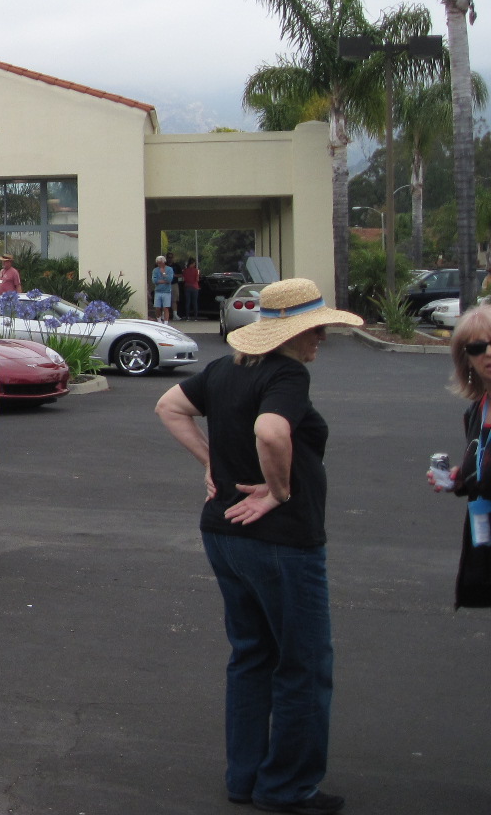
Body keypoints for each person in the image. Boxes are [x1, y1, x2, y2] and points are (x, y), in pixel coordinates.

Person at [155, 277, 360, 814]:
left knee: (252, 656)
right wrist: (279, 490)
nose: (320, 339)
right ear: (292, 333)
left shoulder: (224, 371)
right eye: (316, 330)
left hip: (224, 534)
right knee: (303, 664)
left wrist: (214, 463)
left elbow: (169, 407)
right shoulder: (286, 373)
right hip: (281, 542)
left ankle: (245, 776)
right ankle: (287, 786)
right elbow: (272, 433)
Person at [426, 305, 491, 608]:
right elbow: (481, 464)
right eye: (478, 347)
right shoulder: (477, 410)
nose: (488, 354)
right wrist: (460, 478)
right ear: (465, 359)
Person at [151, 255, 175, 324]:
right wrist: (164, 281)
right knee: (157, 307)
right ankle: (159, 320)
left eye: (160, 263)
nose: (159, 264)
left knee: (166, 307)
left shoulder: (169, 269)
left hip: (166, 291)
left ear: (164, 262)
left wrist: (163, 273)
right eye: (158, 263)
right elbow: (154, 280)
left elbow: (169, 280)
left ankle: (166, 322)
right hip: (158, 291)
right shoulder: (155, 270)